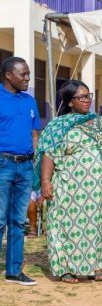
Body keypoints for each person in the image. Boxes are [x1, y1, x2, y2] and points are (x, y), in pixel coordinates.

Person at [37, 80, 102, 283]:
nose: (86, 100)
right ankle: (65, 269)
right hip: (69, 188)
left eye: (88, 96)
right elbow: (49, 154)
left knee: (100, 227)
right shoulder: (58, 126)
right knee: (67, 227)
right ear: (69, 102)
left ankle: (96, 266)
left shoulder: (101, 123)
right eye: (81, 97)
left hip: (100, 190)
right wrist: (45, 181)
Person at [0, 57, 41, 286]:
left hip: (25, 166)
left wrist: (33, 160)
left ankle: (13, 271)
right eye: (23, 74)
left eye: (28, 73)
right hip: (2, 165)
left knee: (18, 221)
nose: (27, 78)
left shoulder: (29, 100)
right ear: (8, 75)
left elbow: (35, 133)